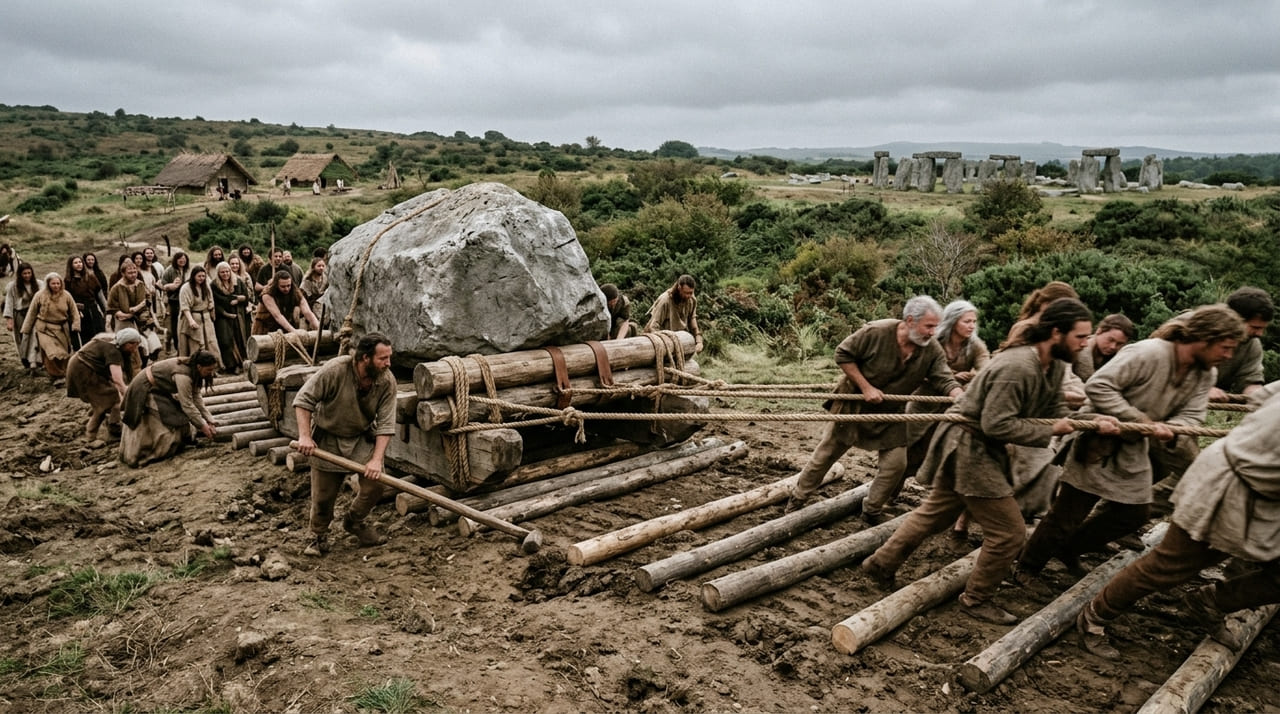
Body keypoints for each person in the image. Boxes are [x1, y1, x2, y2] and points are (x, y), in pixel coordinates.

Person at [861, 298, 1117, 625]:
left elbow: (1055, 412)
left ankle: (881, 563)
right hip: (970, 446)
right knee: (1009, 533)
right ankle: (976, 598)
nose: (1085, 344)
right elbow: (996, 424)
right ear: (1056, 332)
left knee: (935, 513)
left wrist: (1093, 420)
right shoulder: (1017, 367)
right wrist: (1051, 429)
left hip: (978, 445)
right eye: (1080, 337)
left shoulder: (1052, 367)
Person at [1019, 304, 1245, 579]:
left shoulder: (1205, 373)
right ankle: (1027, 566)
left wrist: (1173, 428)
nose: (1228, 355)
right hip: (1100, 437)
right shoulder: (1148, 352)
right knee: (1068, 514)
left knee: (1134, 513)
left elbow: (1193, 414)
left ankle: (1069, 549)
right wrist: (1137, 419)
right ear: (1205, 338)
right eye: (1225, 347)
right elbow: (1099, 386)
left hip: (1137, 444)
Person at [1077, 381, 1280, 658]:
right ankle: (1095, 616)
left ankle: (1210, 601)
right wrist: (1256, 444)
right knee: (1167, 565)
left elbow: (1259, 399)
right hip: (1227, 485)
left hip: (1263, 497)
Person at [786, 296, 963, 520]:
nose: (932, 332)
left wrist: (958, 395)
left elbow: (944, 378)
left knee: (896, 465)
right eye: (929, 326)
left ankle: (871, 509)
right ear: (910, 320)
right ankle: (798, 499)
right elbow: (842, 354)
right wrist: (866, 387)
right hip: (854, 404)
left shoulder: (931, 349)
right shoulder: (876, 332)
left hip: (891, 412)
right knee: (826, 454)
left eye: (936, 326)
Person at [294, 333, 397, 555]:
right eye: (383, 358)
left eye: (389, 357)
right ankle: (318, 536)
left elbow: (386, 424)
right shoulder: (336, 370)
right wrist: (304, 436)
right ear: (365, 358)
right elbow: (304, 400)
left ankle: (354, 521)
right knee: (323, 497)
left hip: (361, 437)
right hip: (328, 438)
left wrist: (376, 460)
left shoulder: (386, 380)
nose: (388, 363)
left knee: (376, 485)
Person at [119, 351, 220, 468]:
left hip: (159, 389)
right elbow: (187, 404)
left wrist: (209, 419)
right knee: (166, 421)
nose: (211, 373)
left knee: (178, 417)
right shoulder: (183, 375)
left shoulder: (194, 371)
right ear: (199, 366)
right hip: (145, 388)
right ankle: (144, 453)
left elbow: (196, 398)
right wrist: (202, 426)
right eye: (208, 370)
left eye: (213, 370)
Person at [67, 328, 142, 441]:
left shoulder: (118, 344)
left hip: (90, 366)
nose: (135, 349)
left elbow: (127, 374)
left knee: (109, 397)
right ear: (127, 343)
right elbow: (118, 380)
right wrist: (129, 397)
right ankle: (92, 436)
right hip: (82, 369)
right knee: (109, 400)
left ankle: (110, 423)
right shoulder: (113, 350)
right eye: (134, 345)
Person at [1211, 287, 1273, 399]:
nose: (1260, 334)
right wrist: (1202, 388)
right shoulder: (1196, 328)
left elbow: (1250, 380)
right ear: (1235, 319)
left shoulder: (1252, 345)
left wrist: (1259, 397)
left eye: (1263, 328)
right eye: (1255, 327)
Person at [20, 272, 80, 379]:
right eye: (53, 284)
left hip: (61, 328)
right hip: (44, 328)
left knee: (63, 353)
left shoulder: (66, 295)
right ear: (48, 284)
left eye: (58, 283)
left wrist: (76, 324)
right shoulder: (40, 295)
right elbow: (32, 312)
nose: (56, 286)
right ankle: (54, 374)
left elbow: (74, 311)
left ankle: (63, 372)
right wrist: (26, 328)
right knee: (51, 352)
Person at [107, 260, 162, 366]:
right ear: (123, 273)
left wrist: (144, 311)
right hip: (124, 322)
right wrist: (125, 315)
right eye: (130, 273)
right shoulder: (116, 288)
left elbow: (147, 299)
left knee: (153, 345)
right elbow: (112, 309)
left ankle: (145, 366)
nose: (133, 275)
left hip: (141, 320)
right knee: (133, 349)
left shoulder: (140, 284)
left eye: (135, 272)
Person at [645, 274, 704, 352]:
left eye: (691, 292)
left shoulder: (692, 300)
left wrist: (698, 339)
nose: (689, 296)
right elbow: (653, 327)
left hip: (681, 339)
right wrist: (665, 345)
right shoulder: (665, 300)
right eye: (686, 293)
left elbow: (692, 320)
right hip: (664, 340)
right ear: (679, 288)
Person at [252, 270, 320, 335]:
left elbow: (307, 312)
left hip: (283, 326)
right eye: (283, 286)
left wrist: (318, 328)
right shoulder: (267, 295)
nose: (286, 289)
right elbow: (277, 316)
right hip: (265, 328)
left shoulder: (295, 292)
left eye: (288, 285)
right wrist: (294, 331)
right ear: (276, 285)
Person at [177, 265, 221, 363]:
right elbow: (185, 307)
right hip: (192, 318)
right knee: (195, 345)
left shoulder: (206, 286)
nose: (201, 278)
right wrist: (191, 321)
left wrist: (211, 307)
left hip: (206, 319)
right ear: (193, 276)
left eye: (203, 276)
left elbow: (211, 300)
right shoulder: (186, 288)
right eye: (199, 276)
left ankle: (213, 366)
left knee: (211, 343)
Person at [1073, 313, 1136, 381]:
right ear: (1099, 331)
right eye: (1110, 340)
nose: (1113, 347)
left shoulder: (1119, 361)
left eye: (1119, 344)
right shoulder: (1074, 352)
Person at [211, 262, 249, 374]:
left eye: (227, 271)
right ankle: (231, 365)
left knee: (239, 338)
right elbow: (215, 302)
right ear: (218, 273)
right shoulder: (214, 285)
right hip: (222, 316)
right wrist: (225, 313)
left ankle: (241, 363)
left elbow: (247, 297)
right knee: (226, 340)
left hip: (238, 314)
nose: (225, 274)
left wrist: (239, 300)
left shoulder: (238, 282)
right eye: (222, 272)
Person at [4, 262, 42, 370]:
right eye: (24, 273)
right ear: (20, 274)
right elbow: (9, 302)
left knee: (34, 337)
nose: (27, 276)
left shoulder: (38, 284)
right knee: (22, 339)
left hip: (34, 314)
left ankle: (35, 360)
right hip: (20, 315)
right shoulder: (13, 286)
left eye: (29, 273)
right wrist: (9, 320)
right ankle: (25, 359)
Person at [64, 254, 107, 349]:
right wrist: (75, 312)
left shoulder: (91, 277)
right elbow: (68, 299)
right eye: (75, 263)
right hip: (80, 313)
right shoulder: (68, 281)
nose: (79, 264)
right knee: (85, 339)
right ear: (71, 265)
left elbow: (100, 296)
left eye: (80, 262)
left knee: (100, 334)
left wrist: (106, 311)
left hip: (93, 309)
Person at [161, 251, 192, 352]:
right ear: (176, 260)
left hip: (188, 301)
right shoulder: (169, 270)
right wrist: (172, 286)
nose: (182, 260)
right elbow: (163, 285)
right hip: (174, 302)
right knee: (175, 327)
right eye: (180, 259)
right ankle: (178, 347)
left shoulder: (189, 270)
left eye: (184, 259)